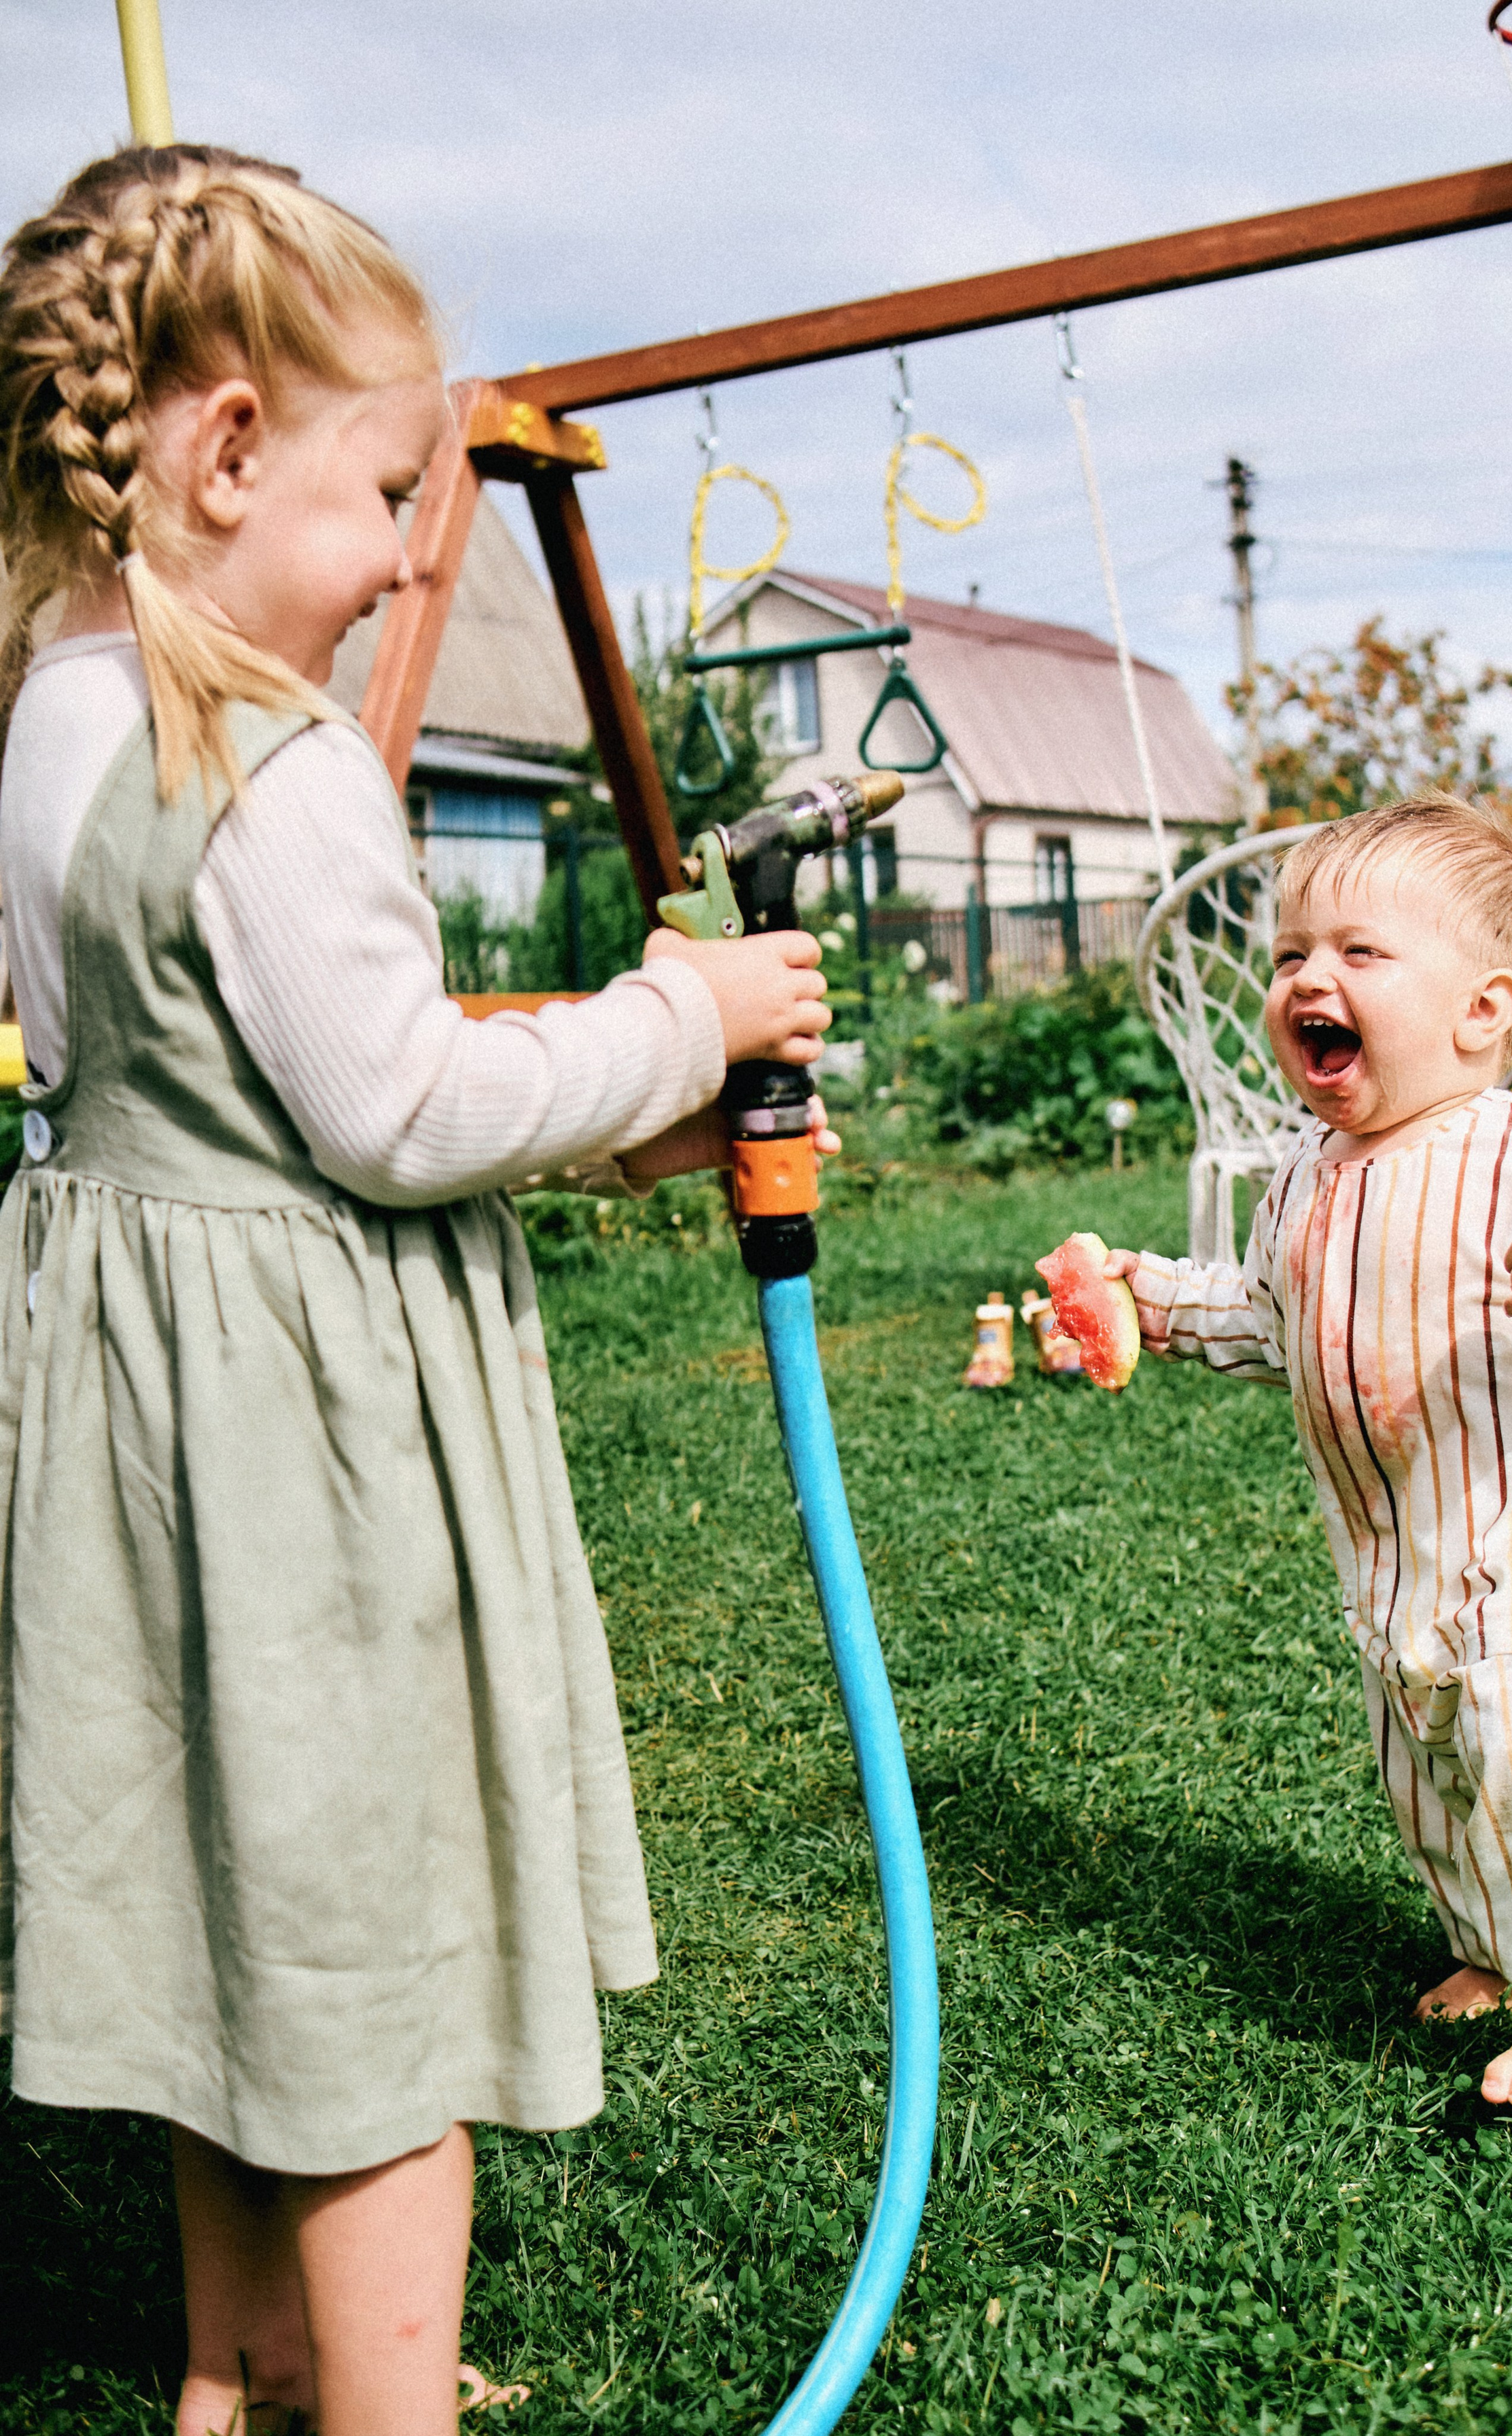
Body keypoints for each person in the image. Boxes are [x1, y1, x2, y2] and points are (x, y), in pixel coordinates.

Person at [0, 145, 834, 2435]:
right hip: (307, 1451)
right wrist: (697, 1017)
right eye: (385, 489)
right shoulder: (271, 763)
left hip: (144, 1410)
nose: (396, 559)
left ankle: (234, 2364)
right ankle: (385, 2409)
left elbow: (229, 1086)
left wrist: (609, 1096)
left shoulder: (50, 719)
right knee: (369, 1954)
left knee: (233, 1909)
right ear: (227, 450)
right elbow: (389, 1117)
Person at [1060, 798, 1512, 2114]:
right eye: (1293, 951)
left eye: (1358, 953)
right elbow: (1264, 1312)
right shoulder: (1305, 1174)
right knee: (1433, 1778)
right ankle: (1491, 1938)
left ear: (1481, 1013)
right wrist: (1144, 1295)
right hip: (1400, 1565)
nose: (1308, 976)